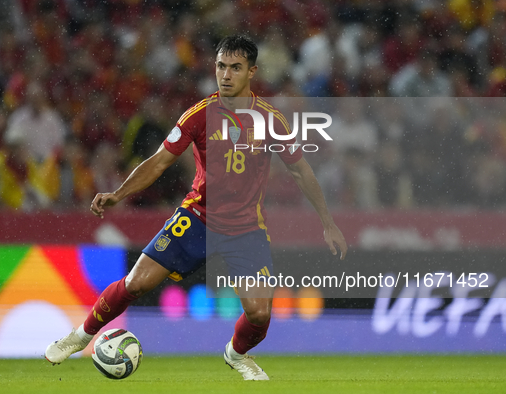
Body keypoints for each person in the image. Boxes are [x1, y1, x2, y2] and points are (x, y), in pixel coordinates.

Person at [45, 35, 347, 381]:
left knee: (260, 313)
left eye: (235, 68)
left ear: (252, 72)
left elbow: (299, 169)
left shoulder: (270, 120)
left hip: (245, 229)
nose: (226, 75)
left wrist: (327, 222)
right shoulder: (200, 115)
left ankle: (236, 354)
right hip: (197, 219)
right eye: (221, 67)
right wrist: (119, 193)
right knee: (136, 282)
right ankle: (79, 336)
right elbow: (159, 162)